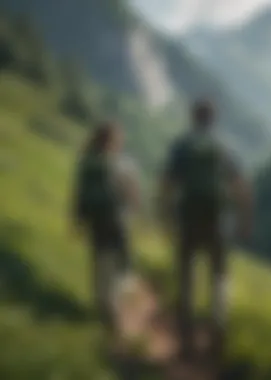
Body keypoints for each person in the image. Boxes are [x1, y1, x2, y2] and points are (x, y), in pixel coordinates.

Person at [158, 99, 252, 363]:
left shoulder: (182, 145)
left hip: (188, 218)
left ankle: (186, 342)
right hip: (218, 220)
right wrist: (245, 220)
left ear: (192, 117)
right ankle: (218, 330)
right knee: (219, 276)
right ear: (213, 120)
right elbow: (241, 187)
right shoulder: (224, 146)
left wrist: (165, 217)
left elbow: (167, 184)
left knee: (186, 278)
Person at [71, 121, 140, 337]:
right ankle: (113, 310)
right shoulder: (121, 164)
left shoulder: (86, 161)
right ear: (114, 141)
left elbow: (79, 193)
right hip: (117, 220)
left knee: (101, 261)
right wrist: (133, 211)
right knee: (120, 265)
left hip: (95, 220)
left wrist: (77, 220)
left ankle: (103, 305)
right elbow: (131, 194)